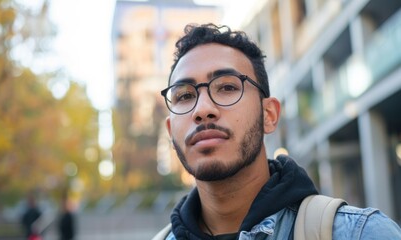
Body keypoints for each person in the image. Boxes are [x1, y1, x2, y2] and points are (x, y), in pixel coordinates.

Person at [155, 23, 401, 239]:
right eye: (185, 95)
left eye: (227, 87)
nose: (203, 109)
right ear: (170, 129)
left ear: (269, 115)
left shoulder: (361, 234)